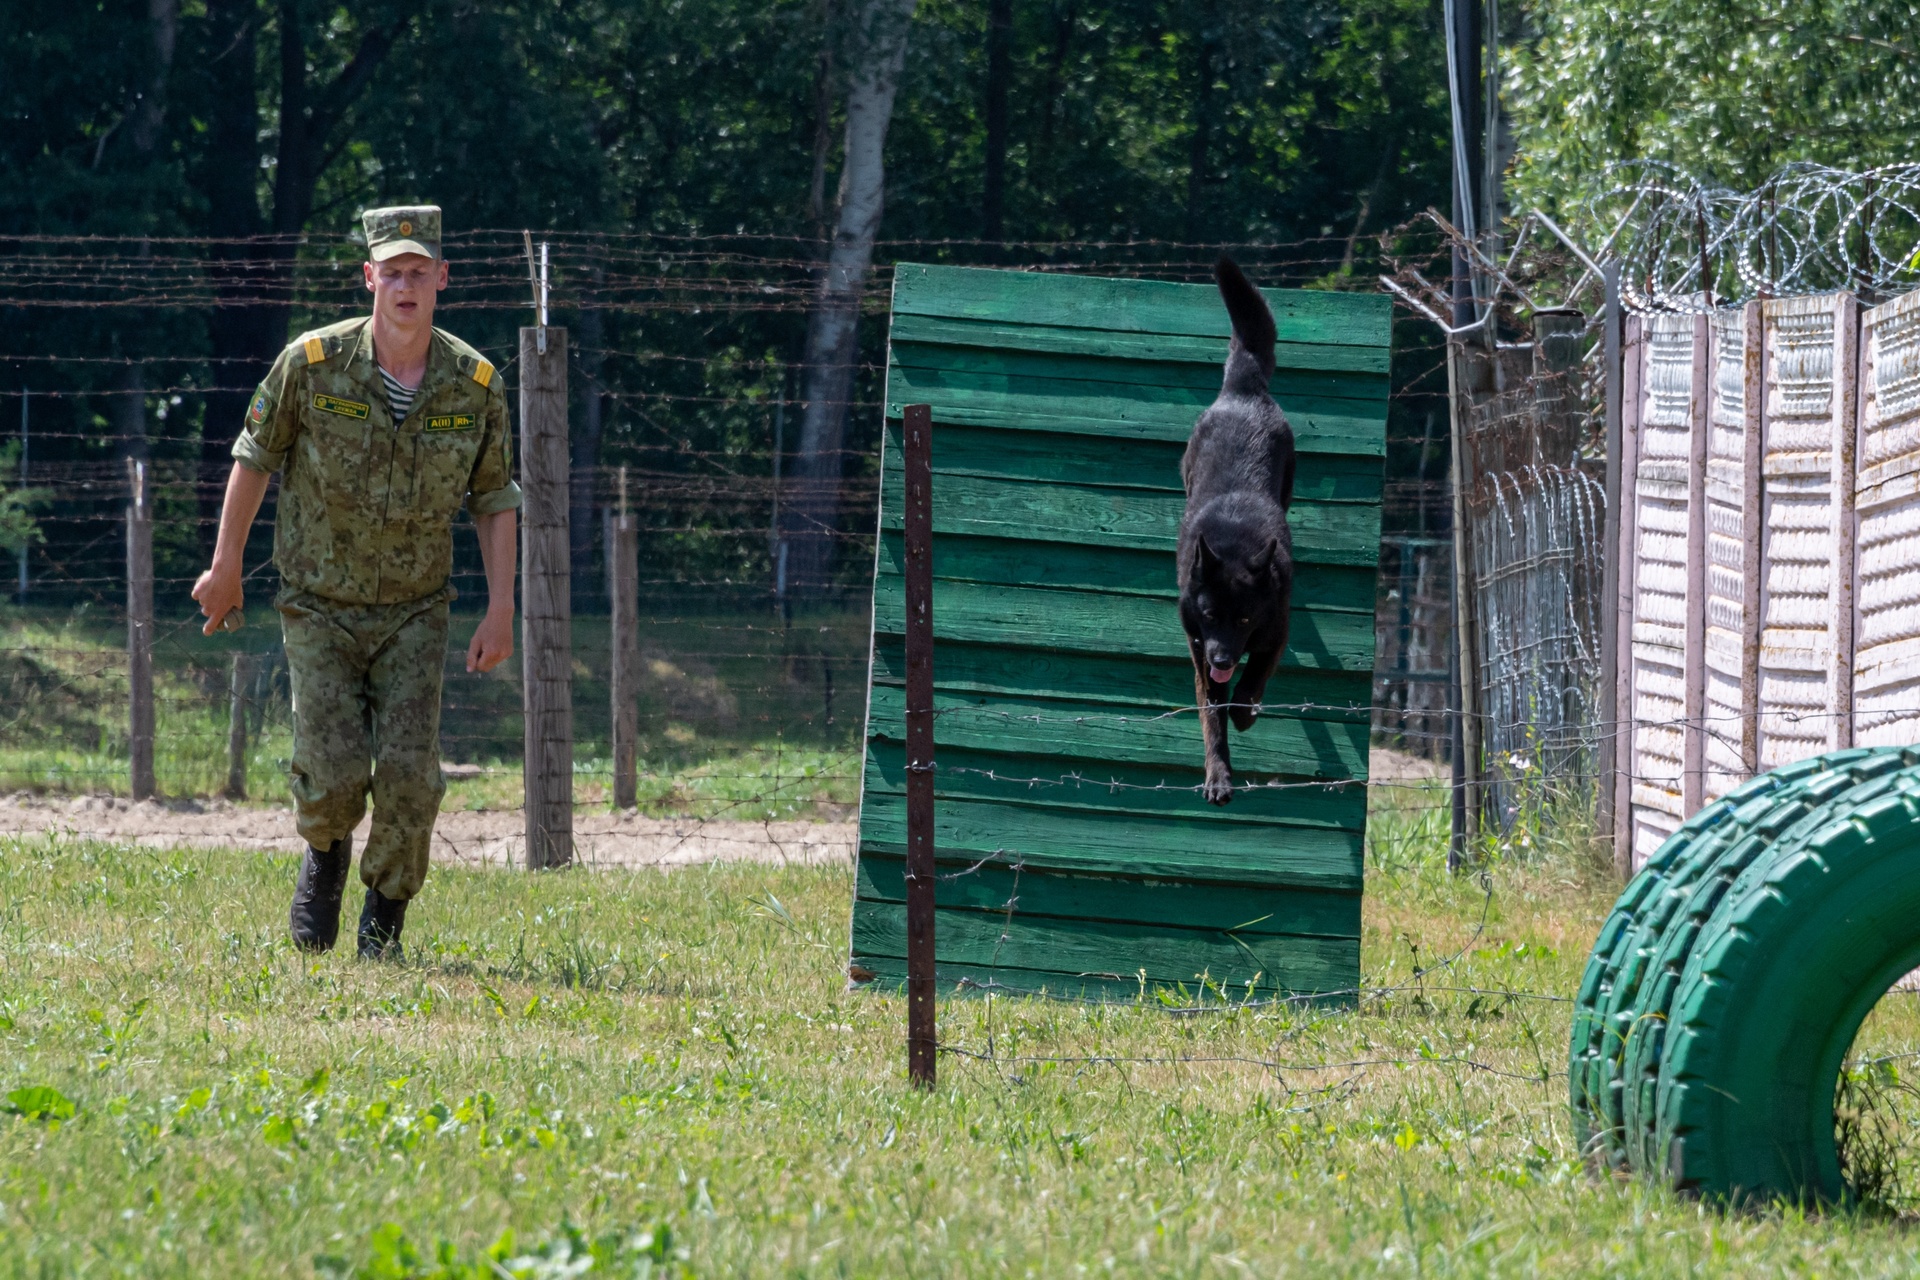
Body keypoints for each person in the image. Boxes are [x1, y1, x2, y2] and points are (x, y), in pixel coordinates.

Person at [191, 205, 520, 959]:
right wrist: (226, 565)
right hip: (318, 602)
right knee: (335, 772)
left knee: (410, 777)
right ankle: (326, 855)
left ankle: (385, 920)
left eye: (419, 272)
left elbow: (495, 497)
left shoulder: (475, 385)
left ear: (442, 279)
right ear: (369, 277)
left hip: (415, 610)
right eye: (391, 271)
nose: (405, 285)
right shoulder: (310, 364)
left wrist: (502, 608)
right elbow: (254, 456)